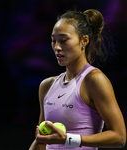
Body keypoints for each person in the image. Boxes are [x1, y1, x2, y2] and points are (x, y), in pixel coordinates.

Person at [29, 9, 126, 150]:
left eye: (64, 40)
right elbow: (42, 141)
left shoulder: (94, 80)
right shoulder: (47, 85)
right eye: (53, 40)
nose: (57, 47)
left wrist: (67, 139)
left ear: (84, 40)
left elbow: (119, 137)